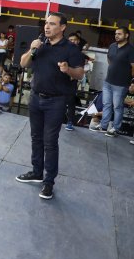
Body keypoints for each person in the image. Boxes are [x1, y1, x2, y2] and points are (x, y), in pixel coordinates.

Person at [15, 12, 84, 200]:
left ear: (62, 28)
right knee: (35, 137)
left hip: (56, 100)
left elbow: (80, 73)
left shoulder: (71, 49)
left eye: (52, 24)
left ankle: (48, 182)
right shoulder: (40, 45)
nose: (47, 27)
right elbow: (23, 64)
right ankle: (36, 172)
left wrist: (67, 69)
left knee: (50, 142)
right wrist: (31, 49)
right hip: (36, 98)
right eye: (46, 23)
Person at [100, 27, 134, 137]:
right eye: (116, 34)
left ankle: (115, 129)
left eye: (119, 34)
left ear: (126, 35)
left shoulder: (131, 49)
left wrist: (126, 77)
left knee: (117, 107)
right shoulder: (112, 46)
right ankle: (103, 126)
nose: (116, 35)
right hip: (108, 81)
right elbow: (110, 60)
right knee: (107, 104)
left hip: (121, 84)